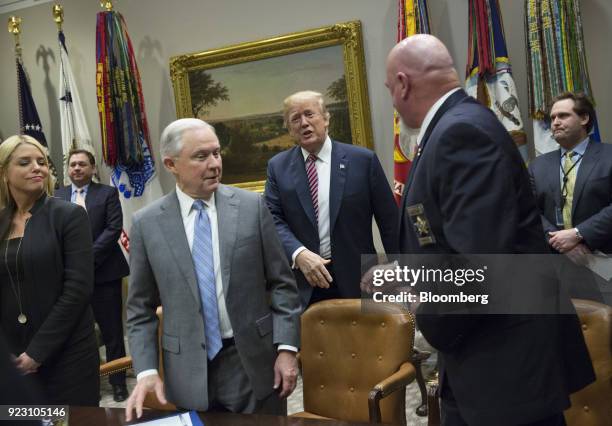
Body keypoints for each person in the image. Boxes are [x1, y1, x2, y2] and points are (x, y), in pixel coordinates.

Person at [384, 35, 594, 425]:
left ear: (403, 82)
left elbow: (481, 263)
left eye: (389, 90)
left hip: (505, 364)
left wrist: (424, 310)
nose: (392, 102)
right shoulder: (452, 128)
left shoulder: (461, 133)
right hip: (482, 356)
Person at [125, 118, 301, 421]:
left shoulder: (250, 207)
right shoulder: (147, 223)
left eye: (217, 153)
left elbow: (283, 284)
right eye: (201, 156)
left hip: (251, 363)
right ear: (171, 164)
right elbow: (140, 309)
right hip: (187, 372)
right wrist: (146, 370)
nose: (214, 164)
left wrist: (287, 348)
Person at [265, 90, 398, 308]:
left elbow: (390, 223)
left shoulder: (363, 161)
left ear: (326, 118)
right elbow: (272, 219)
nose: (304, 123)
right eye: (295, 119)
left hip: (362, 280)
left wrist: (398, 270)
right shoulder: (278, 168)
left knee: (365, 343)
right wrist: (299, 254)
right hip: (305, 284)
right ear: (289, 129)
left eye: (310, 114)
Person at [0, 135, 99, 405]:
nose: (38, 168)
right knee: (23, 420)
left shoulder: (69, 215)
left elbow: (77, 290)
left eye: (41, 162)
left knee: (66, 422)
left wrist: (37, 352)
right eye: (25, 162)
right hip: (13, 361)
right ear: (5, 173)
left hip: (68, 356)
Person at [55, 149, 130, 401]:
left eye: (82, 164)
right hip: (71, 279)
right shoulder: (57, 195)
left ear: (92, 168)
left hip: (105, 274)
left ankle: (118, 383)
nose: (76, 168)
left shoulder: (107, 193)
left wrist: (85, 258)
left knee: (112, 332)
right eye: (72, 164)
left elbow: (113, 228)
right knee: (78, 333)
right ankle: (87, 384)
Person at [529, 92, 611, 304]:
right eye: (553, 117)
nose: (555, 122)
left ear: (584, 119)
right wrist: (559, 241)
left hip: (602, 263)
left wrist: (578, 234)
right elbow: (528, 209)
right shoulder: (538, 165)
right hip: (556, 269)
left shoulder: (608, 156)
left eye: (563, 116)